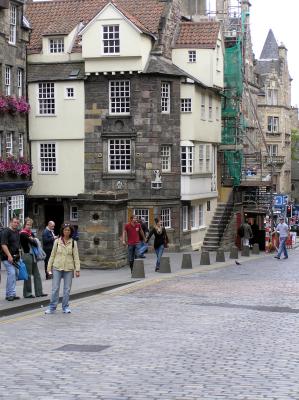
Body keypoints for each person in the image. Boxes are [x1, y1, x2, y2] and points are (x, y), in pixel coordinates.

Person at [45, 223, 80, 314]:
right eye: (65, 230)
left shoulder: (73, 242)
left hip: (68, 268)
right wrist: (49, 268)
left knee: (67, 289)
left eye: (68, 230)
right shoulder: (57, 241)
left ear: (71, 232)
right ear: (62, 231)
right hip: (57, 267)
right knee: (55, 288)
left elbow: (76, 257)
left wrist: (77, 270)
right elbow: (52, 255)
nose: (66, 232)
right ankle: (52, 307)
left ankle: (65, 307)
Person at [20, 218, 47, 299]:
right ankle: (27, 293)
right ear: (24, 225)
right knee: (28, 275)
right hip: (27, 255)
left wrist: (33, 240)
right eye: (28, 224)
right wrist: (33, 240)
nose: (29, 226)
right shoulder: (23, 234)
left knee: (37, 274)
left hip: (33, 255)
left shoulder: (30, 233)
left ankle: (39, 292)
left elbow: (35, 243)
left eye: (30, 225)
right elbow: (34, 242)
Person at [1, 217, 21, 301]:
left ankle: (11, 293)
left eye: (17, 223)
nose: (16, 224)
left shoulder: (16, 232)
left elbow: (17, 245)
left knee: (14, 275)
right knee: (12, 274)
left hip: (15, 257)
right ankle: (9, 294)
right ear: (11, 222)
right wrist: (9, 255)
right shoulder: (6, 231)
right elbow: (3, 244)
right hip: (6, 257)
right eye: (15, 222)